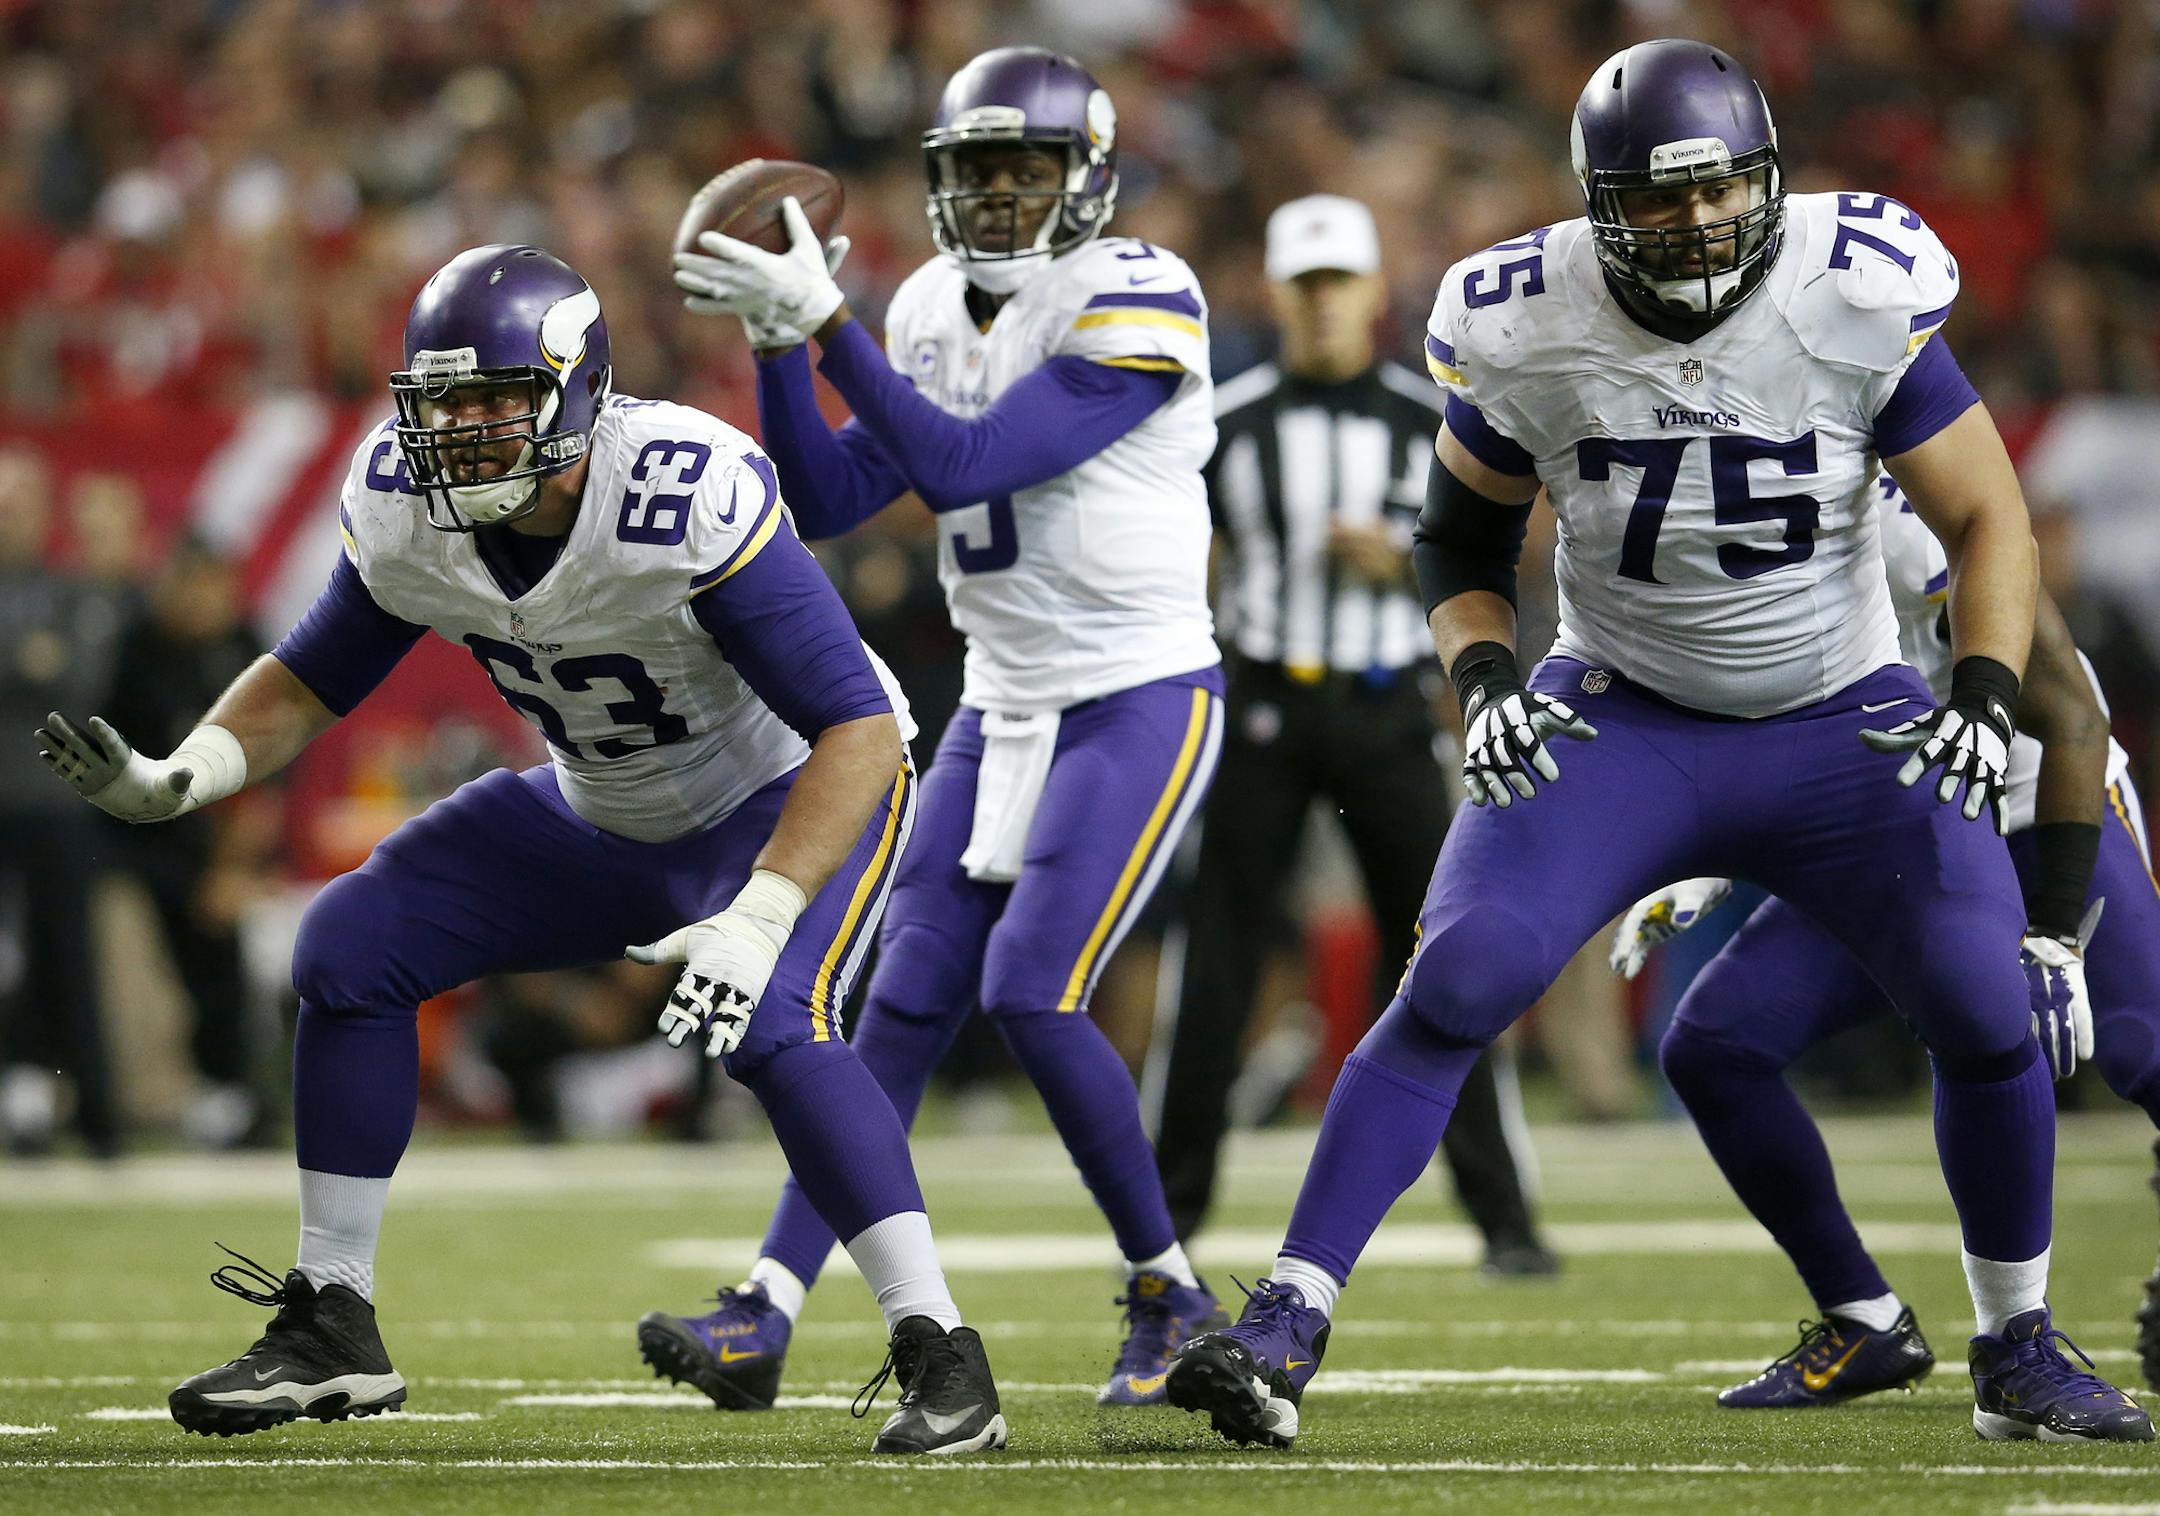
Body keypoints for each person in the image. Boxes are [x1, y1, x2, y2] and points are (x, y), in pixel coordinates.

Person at [1164, 38, 2153, 1448]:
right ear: (1595, 201)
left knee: (1987, 1007)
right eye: (1659, 197)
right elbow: (1456, 533)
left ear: (1769, 181)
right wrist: (1486, 670)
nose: (1696, 222)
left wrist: (1982, 692)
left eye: (1720, 190)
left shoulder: (1851, 287)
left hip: (1843, 715)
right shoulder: (1524, 313)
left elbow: (1989, 516)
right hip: (1625, 713)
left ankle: (2018, 1343)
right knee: (1463, 970)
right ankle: (1284, 1325)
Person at [36, 244, 1007, 1457]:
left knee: (771, 1020)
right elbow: (311, 677)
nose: (468, 431)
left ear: (578, 388)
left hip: (783, 796)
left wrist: (761, 911)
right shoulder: (404, 503)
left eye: (497, 399)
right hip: (600, 808)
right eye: (446, 403)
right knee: (348, 944)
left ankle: (942, 1351)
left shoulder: (679, 490)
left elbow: (856, 727)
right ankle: (334, 1325)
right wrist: (185, 773)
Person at [655, 46, 1226, 1409]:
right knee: (894, 998)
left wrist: (828, 317)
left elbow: (971, 463)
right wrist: (786, 341)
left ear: (1088, 176)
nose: (1000, 197)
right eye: (976, 172)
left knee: (1034, 986)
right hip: (1004, 690)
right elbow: (836, 493)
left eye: (1027, 170)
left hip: (1140, 685)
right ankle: (766, 1307)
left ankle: (1170, 1289)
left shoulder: (1142, 293)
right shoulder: (919, 303)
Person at [1613, 474, 2160, 1406]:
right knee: (1716, 1045)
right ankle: (1862, 1317)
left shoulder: (1901, 523)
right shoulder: (1719, 530)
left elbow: (2072, 714)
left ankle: (2016, 1339)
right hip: (1912, 832)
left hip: (2042, 810)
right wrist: (1713, 853)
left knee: (2146, 1049)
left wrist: (2059, 930)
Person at [1152, 193, 1552, 1272]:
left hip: (1386, 710)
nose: (1324, 305)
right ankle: (1165, 1225)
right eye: (1306, 286)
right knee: (1217, 968)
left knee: (1445, 959)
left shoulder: (1435, 418)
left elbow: (1515, 545)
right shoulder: (1221, 423)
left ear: (1375, 292)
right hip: (1267, 710)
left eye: (1341, 284)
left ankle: (1504, 1217)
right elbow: (1178, 570)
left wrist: (1406, 565)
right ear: (1278, 293)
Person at [97, 536, 276, 1149]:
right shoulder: (133, 650)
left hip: (214, 834)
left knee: (218, 954)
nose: (205, 603)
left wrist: (230, 867)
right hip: (131, 839)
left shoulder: (243, 648)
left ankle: (228, 1092)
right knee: (129, 965)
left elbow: (270, 775)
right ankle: (101, 1093)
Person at [0, 445, 123, 1158]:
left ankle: (98, 1119)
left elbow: (79, 684)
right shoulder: (65, 602)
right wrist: (28, 660)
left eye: (20, 502)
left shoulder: (74, 592)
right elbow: (48, 669)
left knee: (69, 961)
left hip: (54, 804)